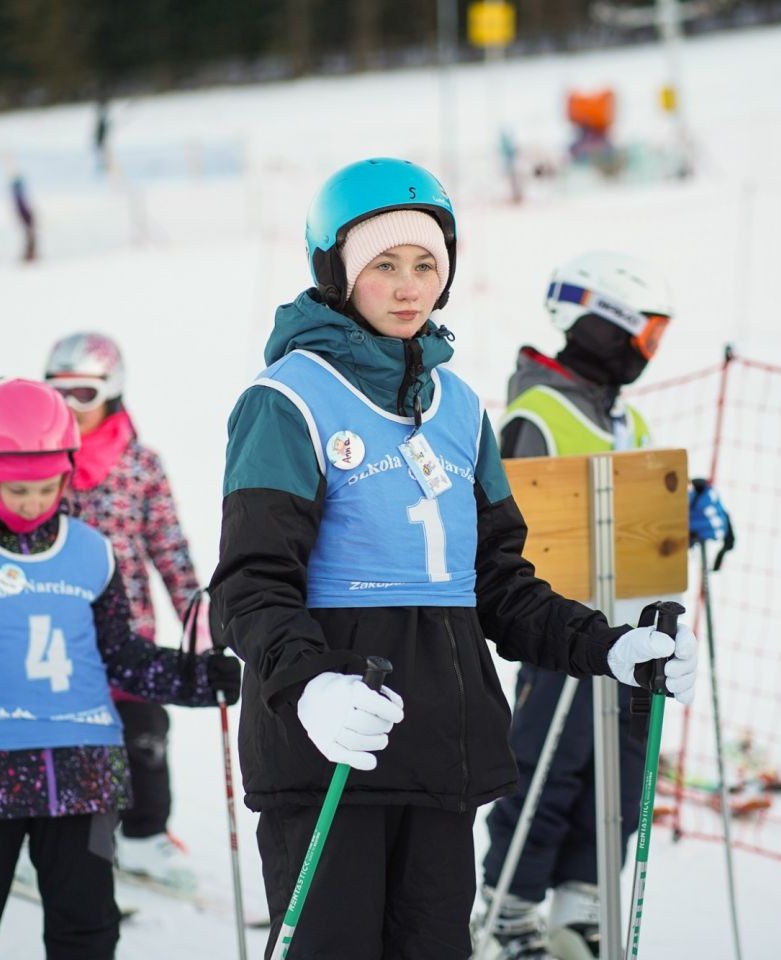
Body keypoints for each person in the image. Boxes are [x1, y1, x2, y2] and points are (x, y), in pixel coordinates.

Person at [208, 157, 702, 959]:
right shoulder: (287, 400)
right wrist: (309, 687)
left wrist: (608, 647)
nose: (408, 287)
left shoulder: (459, 408)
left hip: (440, 751)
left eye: (426, 265)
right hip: (333, 747)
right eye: (384, 265)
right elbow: (250, 586)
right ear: (337, 272)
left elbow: (499, 584)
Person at [0, 379, 241, 960]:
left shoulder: (90, 548)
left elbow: (119, 654)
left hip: (83, 764)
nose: (34, 503)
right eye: (17, 489)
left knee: (88, 925)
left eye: (49, 487)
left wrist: (193, 678)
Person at [476, 251, 731, 959]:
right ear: (599, 325)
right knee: (548, 768)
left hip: (632, 630)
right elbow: (513, 523)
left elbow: (638, 509)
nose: (647, 351)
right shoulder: (537, 412)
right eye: (644, 333)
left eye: (658, 337)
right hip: (563, 632)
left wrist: (684, 511)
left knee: (620, 773)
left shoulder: (627, 418)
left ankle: (582, 908)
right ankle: (510, 911)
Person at [43, 332, 203, 891]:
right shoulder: (37, 462)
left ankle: (143, 834)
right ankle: (48, 838)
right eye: (59, 393)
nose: (71, 406)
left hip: (130, 631)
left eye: (84, 394)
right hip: (54, 632)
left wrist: (195, 614)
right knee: (64, 739)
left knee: (142, 733)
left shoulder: (140, 464)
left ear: (111, 391)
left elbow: (168, 545)